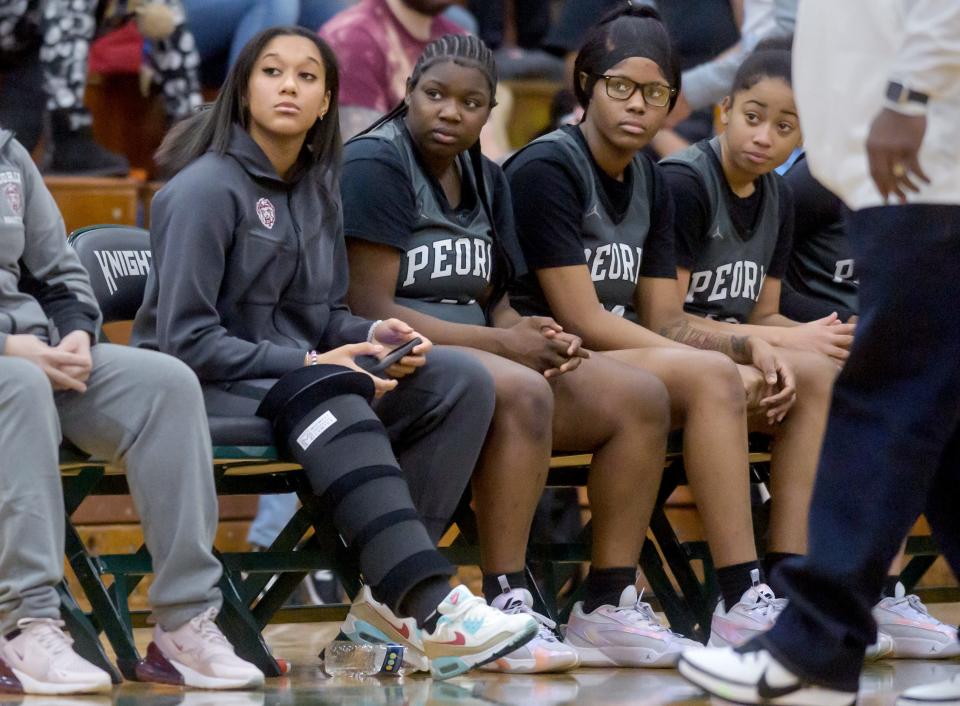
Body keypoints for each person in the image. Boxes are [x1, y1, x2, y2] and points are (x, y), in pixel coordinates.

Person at [130, 25, 537, 680]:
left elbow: (321, 317)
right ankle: (434, 603)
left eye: (307, 76)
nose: (288, 85)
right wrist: (316, 366)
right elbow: (185, 341)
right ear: (242, 91)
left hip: (298, 383)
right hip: (196, 390)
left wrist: (369, 339)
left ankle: (381, 610)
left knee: (459, 378)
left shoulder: (319, 186)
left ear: (325, 102)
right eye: (271, 72)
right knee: (333, 391)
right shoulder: (203, 191)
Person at [343, 32, 697, 671]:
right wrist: (505, 342)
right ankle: (509, 596)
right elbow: (370, 308)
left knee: (640, 396)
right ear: (409, 94)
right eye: (435, 95)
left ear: (490, 111)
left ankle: (608, 601)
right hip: (395, 363)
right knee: (521, 386)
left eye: (471, 103)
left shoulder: (485, 175)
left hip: (484, 357)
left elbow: (498, 297)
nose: (451, 112)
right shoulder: (374, 165)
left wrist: (540, 337)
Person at [504, 5, 813, 653]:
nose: (638, 105)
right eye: (621, 86)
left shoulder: (649, 176)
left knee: (756, 373)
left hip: (611, 359)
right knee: (710, 376)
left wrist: (743, 344)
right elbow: (581, 318)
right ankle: (737, 595)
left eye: (656, 93)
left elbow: (664, 317)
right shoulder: (547, 168)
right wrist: (723, 358)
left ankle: (623, 597)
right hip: (541, 358)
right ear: (586, 85)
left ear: (675, 104)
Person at [677, 0, 960, 702]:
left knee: (886, 393)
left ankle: (815, 646)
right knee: (945, 426)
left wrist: (908, 96)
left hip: (924, 162)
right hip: (897, 164)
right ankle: (818, 643)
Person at [0, 127, 264, 693]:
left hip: (36, 357)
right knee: (18, 382)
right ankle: (26, 626)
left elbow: (62, 278)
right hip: (12, 368)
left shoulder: (8, 155)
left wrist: (73, 335)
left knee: (166, 383)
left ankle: (185, 624)